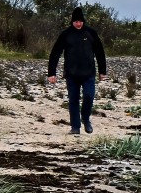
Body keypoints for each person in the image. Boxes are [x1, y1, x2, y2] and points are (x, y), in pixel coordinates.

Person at [46, 7, 107, 135]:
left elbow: (100, 52)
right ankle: (75, 127)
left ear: (83, 21)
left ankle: (85, 118)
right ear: (72, 21)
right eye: (76, 21)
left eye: (80, 21)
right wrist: (51, 73)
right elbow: (55, 53)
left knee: (89, 96)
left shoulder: (91, 33)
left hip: (88, 73)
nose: (78, 24)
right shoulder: (66, 34)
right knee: (73, 100)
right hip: (71, 74)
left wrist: (102, 71)